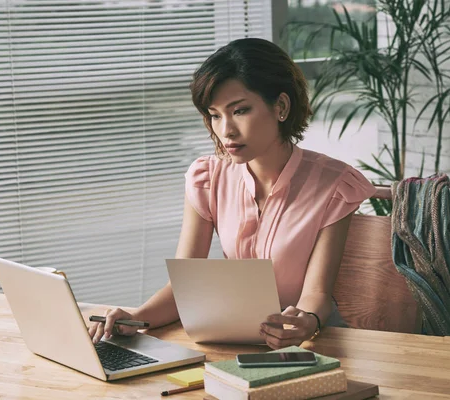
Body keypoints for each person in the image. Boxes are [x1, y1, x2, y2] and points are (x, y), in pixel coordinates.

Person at [88, 38, 376, 349]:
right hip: (235, 343)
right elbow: (184, 288)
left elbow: (317, 295)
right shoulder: (207, 177)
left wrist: (304, 322)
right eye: (215, 115)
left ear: (280, 106)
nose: (226, 130)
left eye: (240, 110)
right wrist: (134, 318)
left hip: (312, 344)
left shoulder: (334, 184)